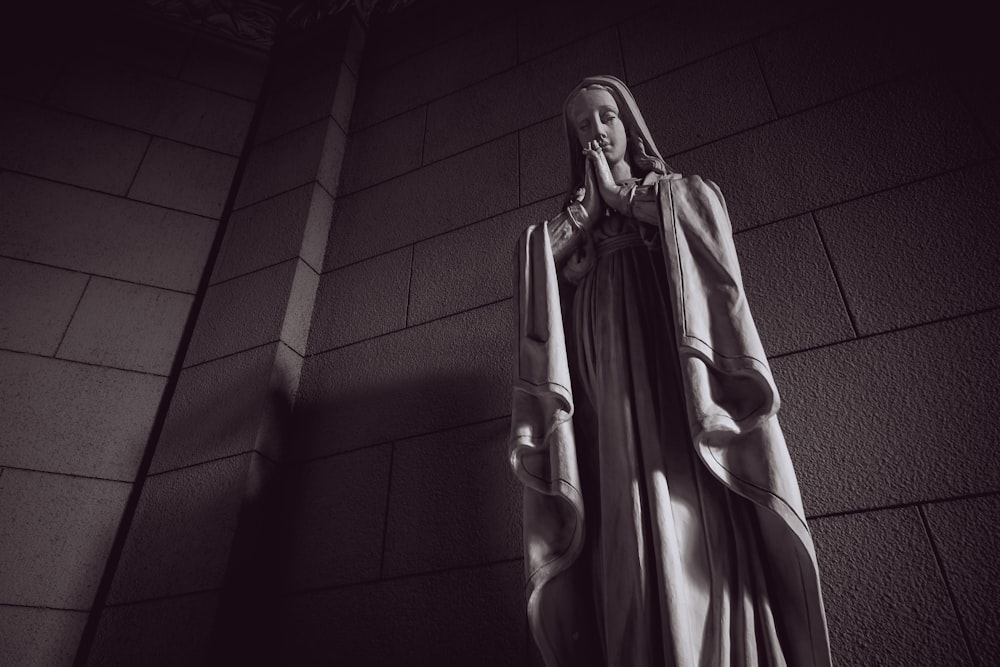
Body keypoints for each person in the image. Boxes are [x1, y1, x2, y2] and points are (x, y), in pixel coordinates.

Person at [510, 75, 832, 667]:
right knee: (621, 513)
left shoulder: (675, 193)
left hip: (673, 378)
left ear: (629, 125)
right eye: (582, 125)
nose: (596, 132)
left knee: (688, 500)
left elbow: (706, 222)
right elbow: (533, 267)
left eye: (606, 117)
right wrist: (586, 214)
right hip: (604, 383)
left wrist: (627, 201)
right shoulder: (569, 227)